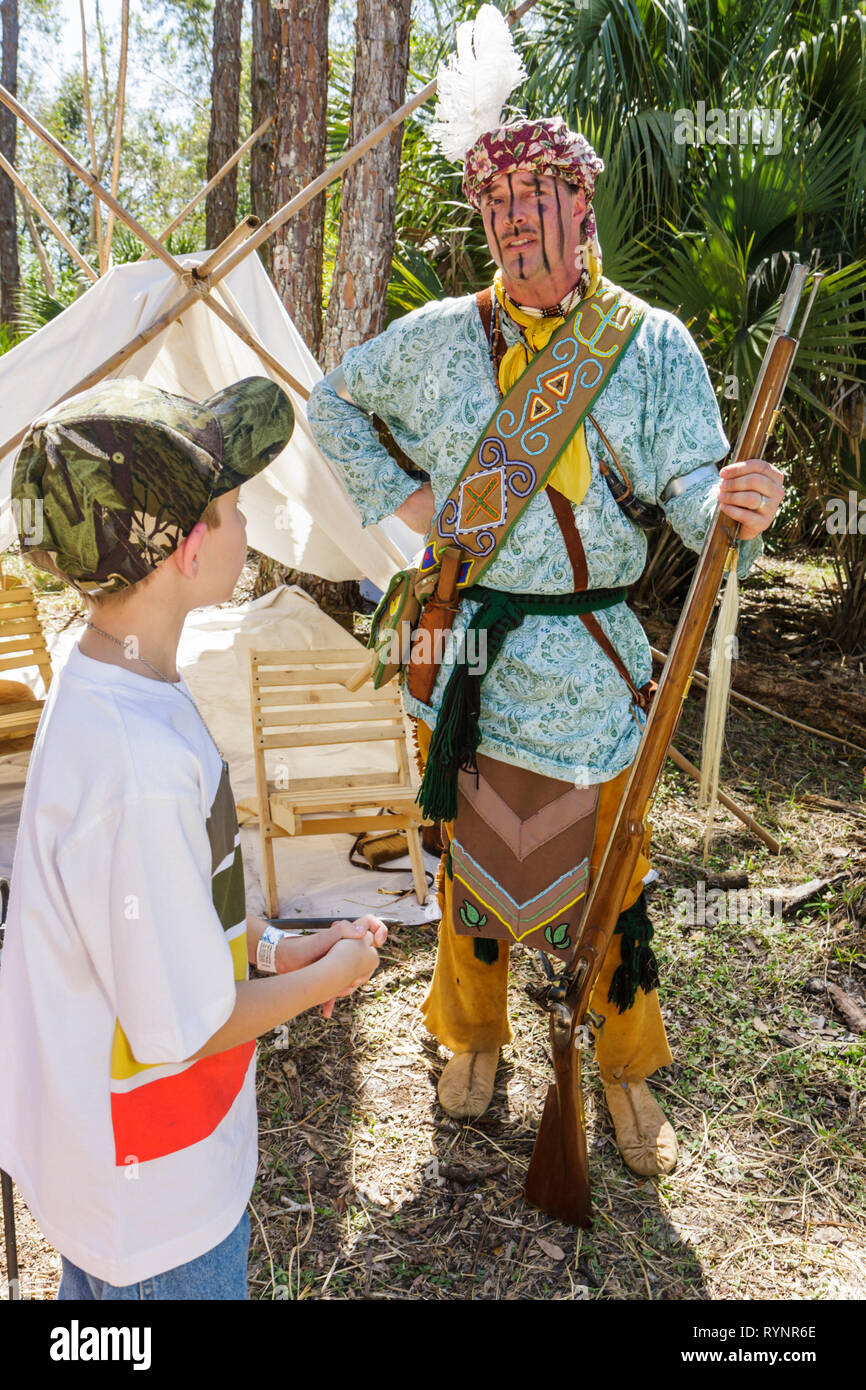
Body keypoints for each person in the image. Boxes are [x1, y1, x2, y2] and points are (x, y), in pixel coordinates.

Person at [306, 106, 784, 1180]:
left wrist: (733, 502)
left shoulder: (650, 342)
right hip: (470, 653)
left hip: (597, 662)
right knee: (468, 871)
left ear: (582, 201)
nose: (514, 222)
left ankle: (623, 1065)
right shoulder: (435, 336)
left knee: (614, 879)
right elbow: (331, 405)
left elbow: (689, 487)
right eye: (495, 205)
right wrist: (413, 502)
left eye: (535, 198)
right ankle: (471, 1042)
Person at [0, 376, 386, 1299]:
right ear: (183, 548)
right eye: (234, 504)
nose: (247, 525)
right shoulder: (136, 761)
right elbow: (187, 1028)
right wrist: (333, 978)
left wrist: (273, 946)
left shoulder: (117, 685)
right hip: (160, 1201)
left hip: (125, 1174)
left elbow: (169, 914)